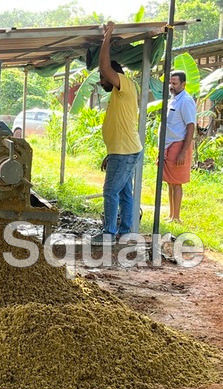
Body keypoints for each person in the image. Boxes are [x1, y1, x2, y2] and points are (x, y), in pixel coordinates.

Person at [92, 21, 143, 245]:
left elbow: (105, 67)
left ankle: (109, 234)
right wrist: (110, 153)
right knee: (124, 193)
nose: (102, 80)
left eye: (103, 77)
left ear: (113, 75)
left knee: (110, 192)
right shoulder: (120, 93)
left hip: (124, 152)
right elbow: (118, 126)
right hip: (122, 151)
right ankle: (126, 231)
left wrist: (107, 37)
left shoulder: (124, 84)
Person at [162, 70, 196, 223]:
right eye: (170, 83)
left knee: (177, 183)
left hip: (179, 145)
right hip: (169, 145)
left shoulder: (186, 101)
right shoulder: (173, 99)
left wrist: (183, 152)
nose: (172, 86)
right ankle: (171, 215)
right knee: (170, 182)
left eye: (175, 84)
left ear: (183, 84)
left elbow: (190, 126)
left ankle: (177, 217)